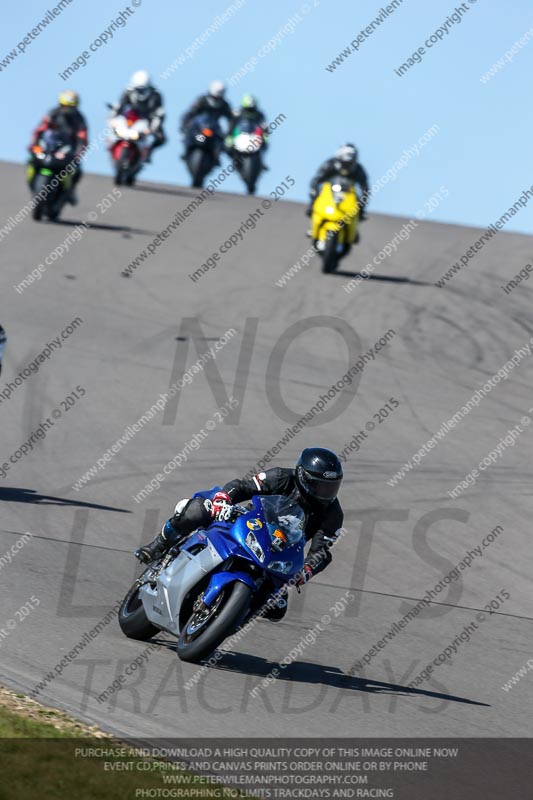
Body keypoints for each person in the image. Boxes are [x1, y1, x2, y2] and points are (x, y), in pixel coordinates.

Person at [135, 447, 344, 620]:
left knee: (276, 609)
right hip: (252, 523)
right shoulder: (281, 477)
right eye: (320, 485)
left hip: (281, 551)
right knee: (199, 510)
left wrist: (307, 570)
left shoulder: (333, 514)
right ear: (302, 476)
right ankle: (159, 545)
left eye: (332, 487)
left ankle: (226, 617)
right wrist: (224, 499)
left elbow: (321, 551)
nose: (326, 492)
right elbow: (242, 487)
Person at [30, 90, 88, 204]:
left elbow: (83, 137)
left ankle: (70, 191)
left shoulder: (79, 118)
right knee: (31, 161)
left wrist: (78, 154)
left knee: (77, 171)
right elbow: (40, 130)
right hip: (49, 146)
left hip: (67, 150)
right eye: (65, 106)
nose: (67, 109)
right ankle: (32, 182)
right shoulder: (53, 113)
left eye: (71, 107)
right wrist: (34, 144)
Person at [113, 71, 166, 161]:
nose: (140, 92)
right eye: (138, 89)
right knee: (114, 130)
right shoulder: (128, 91)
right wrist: (113, 119)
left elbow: (159, 113)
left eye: (142, 89)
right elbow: (120, 106)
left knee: (161, 138)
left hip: (147, 121)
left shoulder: (156, 95)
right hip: (130, 119)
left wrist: (154, 126)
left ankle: (148, 152)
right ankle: (112, 146)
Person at [307, 143, 369, 220]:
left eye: (349, 163)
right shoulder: (329, 165)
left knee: (358, 205)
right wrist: (314, 195)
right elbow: (316, 180)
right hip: (328, 193)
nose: (346, 166)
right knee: (315, 200)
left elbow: (365, 188)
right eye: (344, 163)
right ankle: (312, 209)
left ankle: (354, 228)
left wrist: (361, 207)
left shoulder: (358, 169)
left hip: (348, 195)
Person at [180, 80, 233, 163]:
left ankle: (216, 157)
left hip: (214, 129)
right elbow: (190, 114)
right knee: (189, 136)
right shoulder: (202, 100)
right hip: (199, 128)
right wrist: (185, 126)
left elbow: (231, 119)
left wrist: (229, 133)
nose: (216, 98)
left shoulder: (224, 105)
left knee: (222, 142)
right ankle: (186, 152)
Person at [226, 94, 269, 168]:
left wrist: (264, 134)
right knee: (228, 145)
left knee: (265, 144)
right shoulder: (238, 113)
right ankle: (235, 159)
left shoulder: (259, 114)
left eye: (251, 109)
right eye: (248, 109)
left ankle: (261, 162)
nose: (250, 111)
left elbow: (263, 125)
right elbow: (232, 124)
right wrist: (230, 135)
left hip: (254, 136)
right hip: (240, 135)